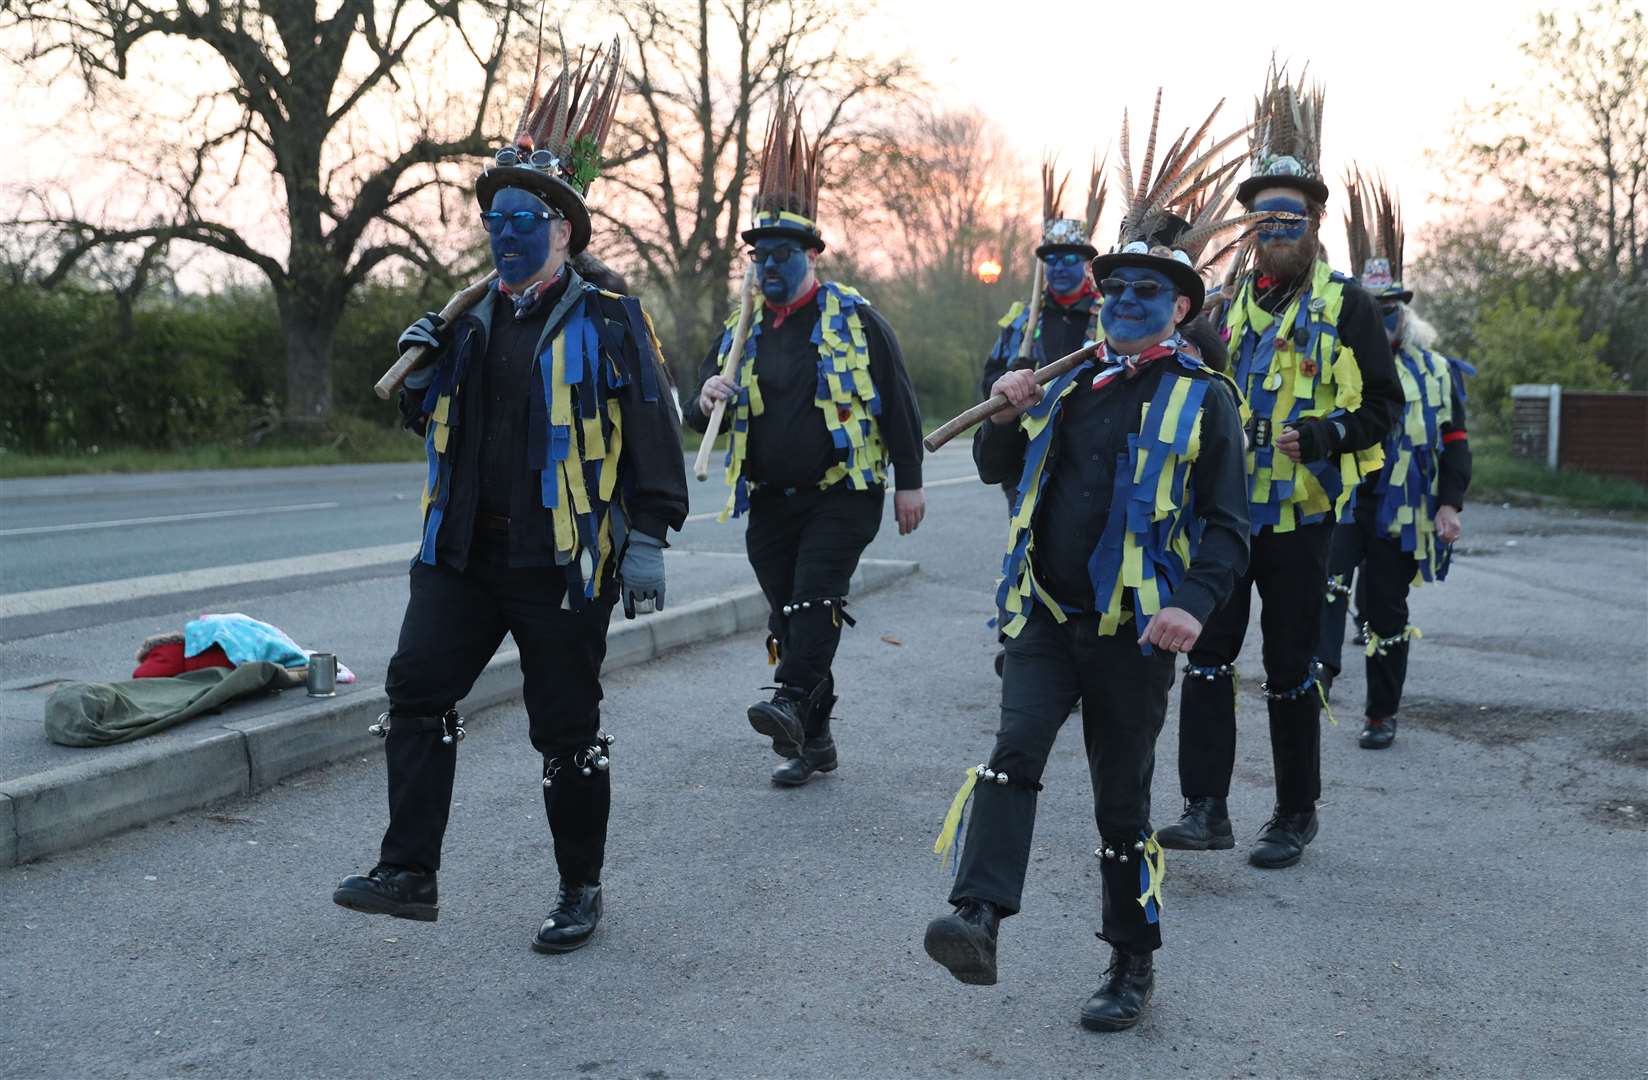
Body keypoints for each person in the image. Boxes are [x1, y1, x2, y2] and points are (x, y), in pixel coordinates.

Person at [331, 39, 689, 953]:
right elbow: (439, 427)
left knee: (564, 726)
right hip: (460, 553)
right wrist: (420, 378)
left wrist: (648, 538)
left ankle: (580, 888)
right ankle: (409, 871)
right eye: (495, 214)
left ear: (564, 231)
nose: (506, 229)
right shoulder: (468, 318)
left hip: (560, 559)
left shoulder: (611, 321)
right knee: (416, 690)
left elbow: (652, 429)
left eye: (525, 215)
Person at [923, 94, 1256, 1032]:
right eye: (1114, 291)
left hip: (1134, 637)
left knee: (1122, 805)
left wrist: (1192, 604)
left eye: (1145, 292)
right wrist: (1009, 405)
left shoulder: (1207, 402)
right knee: (1012, 755)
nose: (1122, 303)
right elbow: (999, 473)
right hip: (1044, 615)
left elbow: (1230, 527)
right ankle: (978, 914)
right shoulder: (1065, 386)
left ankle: (1129, 966)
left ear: (1182, 309)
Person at [1160, 64, 1404, 869]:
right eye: (1263, 216)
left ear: (1315, 222)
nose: (1276, 227)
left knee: (1291, 667)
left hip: (1303, 519)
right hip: (1226, 519)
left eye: (1290, 215)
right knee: (1207, 656)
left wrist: (1328, 435)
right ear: (1251, 228)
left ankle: (1294, 815)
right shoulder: (1223, 308)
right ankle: (1206, 808)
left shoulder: (1347, 305)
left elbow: (1384, 409)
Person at [686, 88, 927, 788]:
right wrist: (706, 398)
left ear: (810, 254)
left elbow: (899, 400)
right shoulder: (741, 332)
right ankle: (814, 740)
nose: (768, 263)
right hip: (769, 498)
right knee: (789, 618)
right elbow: (705, 405)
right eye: (759, 252)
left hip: (843, 492)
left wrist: (908, 481)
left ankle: (789, 701)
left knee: (815, 599)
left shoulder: (855, 318)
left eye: (782, 252)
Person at [1315, 171, 1472, 749]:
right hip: (1342, 500)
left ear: (1402, 312)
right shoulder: (1333, 361)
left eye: (1390, 311)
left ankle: (1382, 713)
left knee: (1384, 609)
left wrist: (1449, 504)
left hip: (1400, 514)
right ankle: (1318, 675)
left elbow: (1455, 442)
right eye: (1371, 310)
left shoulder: (1436, 371)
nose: (1381, 321)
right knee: (1325, 586)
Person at [982, 159, 1107, 507]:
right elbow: (988, 381)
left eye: (1070, 260)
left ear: (1086, 265)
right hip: (1027, 455)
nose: (1060, 269)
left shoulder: (1108, 317)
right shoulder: (1021, 321)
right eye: (1053, 261)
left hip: (1089, 451)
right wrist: (1012, 375)